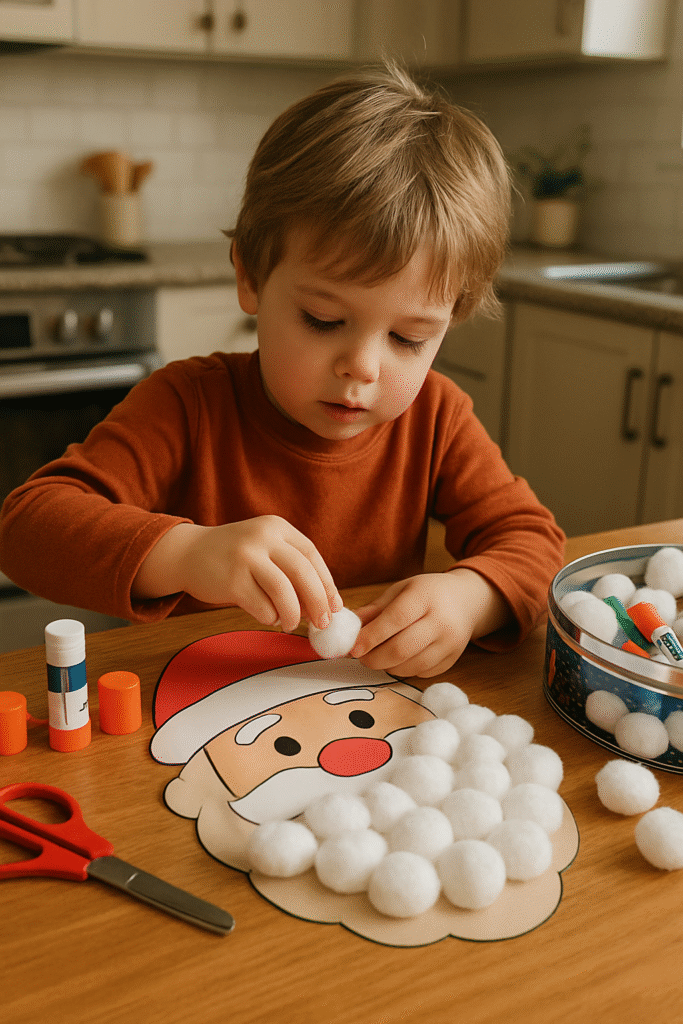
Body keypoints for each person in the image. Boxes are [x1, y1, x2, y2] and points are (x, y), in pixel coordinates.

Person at [0, 64, 564, 678]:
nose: (363, 367)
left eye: (409, 337)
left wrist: (470, 598)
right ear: (250, 277)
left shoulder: (437, 417)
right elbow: (27, 528)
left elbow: (533, 543)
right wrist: (185, 554)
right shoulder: (188, 404)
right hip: (200, 709)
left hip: (364, 711)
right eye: (323, 320)